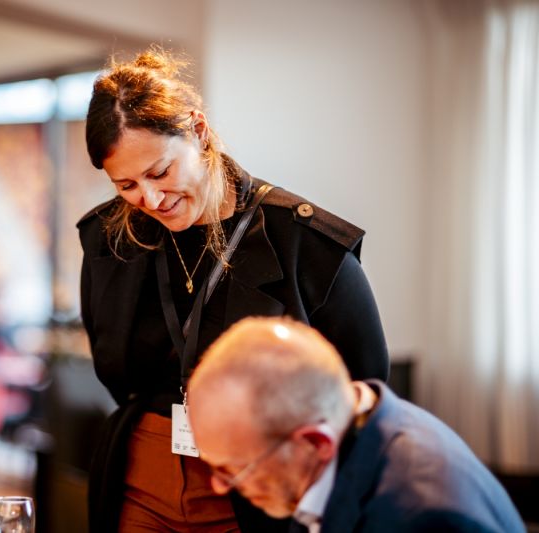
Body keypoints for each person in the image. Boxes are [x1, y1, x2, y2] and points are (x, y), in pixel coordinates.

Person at [78, 47, 389, 532]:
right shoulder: (108, 239)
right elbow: (112, 363)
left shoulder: (306, 244)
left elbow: (365, 384)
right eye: (126, 186)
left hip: (260, 489)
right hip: (141, 478)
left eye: (160, 172)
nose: (150, 199)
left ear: (198, 131)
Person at [188, 317, 524, 532]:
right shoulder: (362, 419)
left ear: (316, 443)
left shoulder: (420, 517)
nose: (219, 487)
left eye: (234, 469)